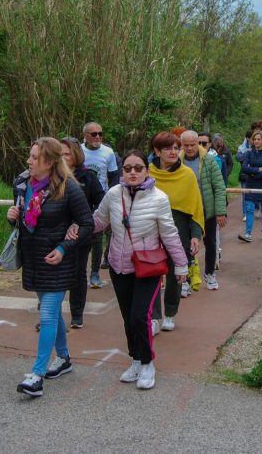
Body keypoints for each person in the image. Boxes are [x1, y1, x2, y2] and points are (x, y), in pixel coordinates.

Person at [81, 150, 189, 389]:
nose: (132, 172)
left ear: (146, 171)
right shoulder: (113, 194)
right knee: (128, 318)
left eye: (138, 168)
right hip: (119, 268)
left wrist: (181, 265)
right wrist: (76, 226)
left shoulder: (159, 199)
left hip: (147, 269)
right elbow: (99, 221)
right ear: (122, 171)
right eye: (128, 168)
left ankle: (148, 363)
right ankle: (136, 359)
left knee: (140, 316)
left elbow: (170, 234)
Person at [8, 137, 93, 398]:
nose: (29, 161)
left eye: (35, 157)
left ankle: (37, 375)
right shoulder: (24, 186)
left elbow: (87, 224)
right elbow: (28, 223)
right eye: (30, 156)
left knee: (46, 314)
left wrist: (63, 248)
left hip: (58, 262)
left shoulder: (70, 189)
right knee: (52, 314)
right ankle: (64, 358)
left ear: (49, 162)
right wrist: (13, 218)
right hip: (34, 260)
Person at [148, 132, 204, 332]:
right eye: (167, 148)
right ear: (157, 151)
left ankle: (170, 313)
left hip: (179, 231)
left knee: (175, 274)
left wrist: (195, 235)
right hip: (151, 232)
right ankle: (154, 317)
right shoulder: (148, 174)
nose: (173, 152)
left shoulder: (187, 175)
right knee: (151, 273)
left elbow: (195, 207)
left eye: (175, 148)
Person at [60, 136, 104, 329]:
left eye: (67, 154)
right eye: (59, 154)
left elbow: (101, 203)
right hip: (55, 233)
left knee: (77, 274)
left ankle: (77, 314)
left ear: (76, 155)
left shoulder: (88, 177)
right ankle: (49, 314)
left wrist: (83, 223)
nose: (63, 157)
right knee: (54, 275)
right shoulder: (50, 176)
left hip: (81, 235)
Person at [180, 130, 226, 292]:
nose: (190, 148)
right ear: (182, 145)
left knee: (210, 243)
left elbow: (219, 187)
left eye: (193, 145)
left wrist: (220, 212)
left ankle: (210, 273)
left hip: (207, 209)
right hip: (186, 211)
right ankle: (185, 279)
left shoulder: (209, 160)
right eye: (186, 145)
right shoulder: (177, 162)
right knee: (186, 245)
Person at [81, 122, 118, 288]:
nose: (97, 137)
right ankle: (77, 272)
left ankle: (94, 273)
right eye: (93, 134)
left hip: (99, 200)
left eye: (100, 134)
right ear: (85, 136)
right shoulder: (78, 151)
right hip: (79, 198)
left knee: (97, 238)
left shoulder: (108, 152)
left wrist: (112, 198)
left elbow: (114, 177)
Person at [238, 130, 262, 242]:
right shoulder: (248, 153)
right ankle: (248, 234)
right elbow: (244, 168)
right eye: (254, 139)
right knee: (249, 209)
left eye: (258, 139)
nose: (256, 141)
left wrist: (254, 173)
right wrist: (258, 170)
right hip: (251, 183)